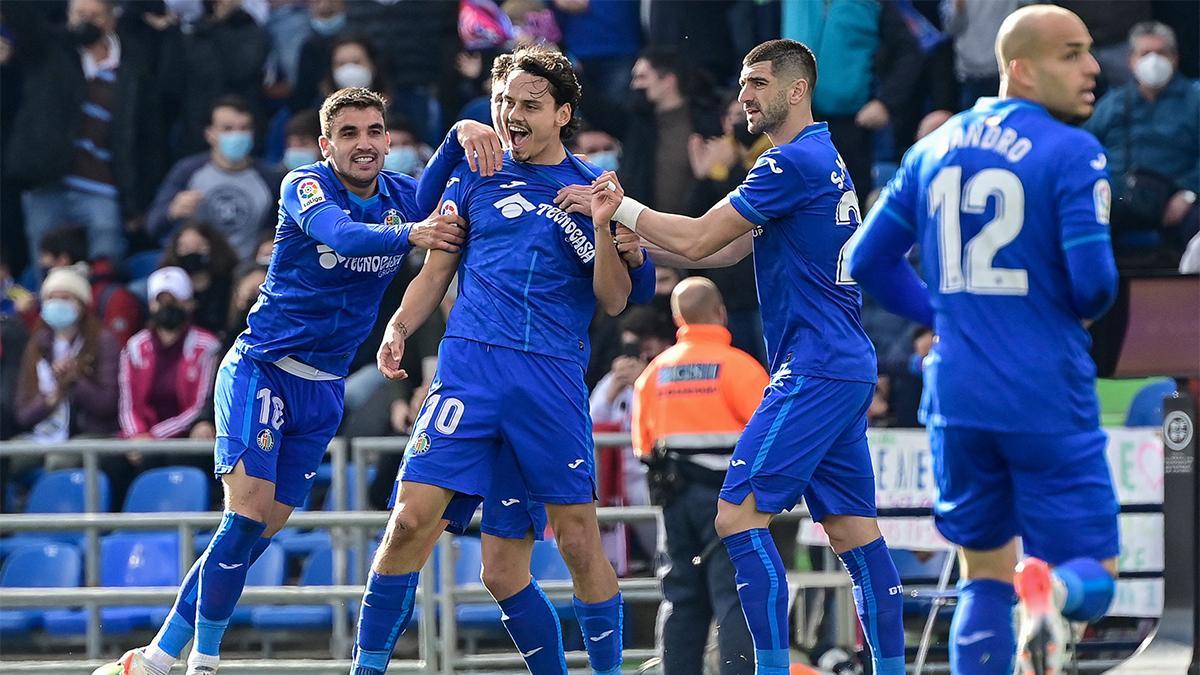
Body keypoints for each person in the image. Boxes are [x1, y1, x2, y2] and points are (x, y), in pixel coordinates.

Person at [92, 87, 465, 675]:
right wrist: (412, 235)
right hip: (263, 369)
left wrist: (462, 132)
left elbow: (440, 183)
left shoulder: (402, 195)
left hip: (323, 389)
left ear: (389, 141)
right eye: (348, 133)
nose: (364, 144)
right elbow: (342, 236)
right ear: (324, 145)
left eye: (374, 132)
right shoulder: (305, 187)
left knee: (252, 535)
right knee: (244, 517)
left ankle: (156, 656)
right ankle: (200, 662)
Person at [588, 39, 906, 675]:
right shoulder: (822, 158)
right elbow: (722, 252)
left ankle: (768, 669)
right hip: (841, 361)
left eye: (757, 83)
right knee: (851, 531)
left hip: (813, 364)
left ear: (795, 91)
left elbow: (705, 233)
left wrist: (619, 204)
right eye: (742, 84)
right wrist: (639, 237)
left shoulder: (789, 164)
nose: (744, 97)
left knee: (736, 515)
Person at [351, 45, 654, 675]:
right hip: (470, 373)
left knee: (555, 547)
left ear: (563, 114)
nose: (512, 115)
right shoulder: (473, 175)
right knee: (408, 523)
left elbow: (617, 299)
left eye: (529, 105)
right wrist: (400, 327)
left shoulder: (593, 193)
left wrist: (602, 225)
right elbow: (436, 269)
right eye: (504, 102)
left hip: (548, 382)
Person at [848, 6, 1120, 674]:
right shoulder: (1073, 151)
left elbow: (866, 262)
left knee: (983, 574)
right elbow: (1095, 288)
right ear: (1021, 69)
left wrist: (942, 313)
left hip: (958, 391)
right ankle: (1053, 592)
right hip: (1044, 388)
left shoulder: (932, 148)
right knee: (1097, 573)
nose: (1093, 68)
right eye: (1072, 53)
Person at [632, 277, 764, 675]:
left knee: (681, 598)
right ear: (721, 313)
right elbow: (767, 437)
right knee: (734, 599)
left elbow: (642, 445)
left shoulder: (655, 373)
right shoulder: (742, 368)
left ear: (677, 318)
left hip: (674, 502)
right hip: (730, 503)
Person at [4, 0, 166, 267]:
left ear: (112, 20)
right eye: (80, 14)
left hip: (102, 186)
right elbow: (20, 14)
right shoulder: (49, 51)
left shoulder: (134, 66)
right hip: (47, 182)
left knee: (106, 263)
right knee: (47, 267)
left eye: (95, 15)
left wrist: (138, 202)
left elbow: (148, 140)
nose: (86, 22)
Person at [1083, 21, 1199, 263]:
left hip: (1178, 201)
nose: (1153, 60)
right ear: (1131, 60)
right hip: (1120, 201)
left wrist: (1190, 192)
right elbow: (1085, 146)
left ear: (1175, 58)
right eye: (1145, 53)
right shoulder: (1113, 103)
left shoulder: (1194, 100)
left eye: (1161, 53)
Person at [146, 96, 283, 260]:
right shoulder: (187, 171)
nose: (237, 135)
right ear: (209, 134)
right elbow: (152, 225)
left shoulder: (270, 179)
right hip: (198, 267)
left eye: (244, 128)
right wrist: (172, 211)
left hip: (247, 270)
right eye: (228, 129)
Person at [14, 267, 120, 443]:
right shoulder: (36, 344)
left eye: (65, 298)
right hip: (41, 432)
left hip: (89, 433)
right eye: (51, 298)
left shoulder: (102, 341)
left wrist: (74, 381)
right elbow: (22, 415)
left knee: (58, 461)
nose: (57, 303)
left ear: (81, 304)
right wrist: (48, 401)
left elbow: (107, 405)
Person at [158, 223, 239, 337]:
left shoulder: (230, 282)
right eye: (184, 248)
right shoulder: (167, 286)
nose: (192, 252)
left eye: (199, 246)